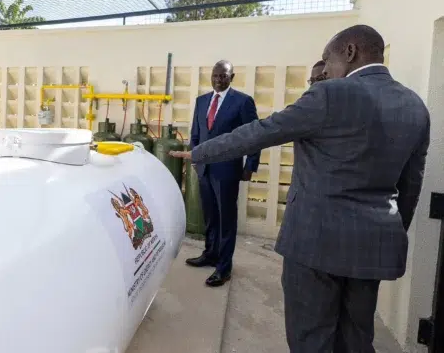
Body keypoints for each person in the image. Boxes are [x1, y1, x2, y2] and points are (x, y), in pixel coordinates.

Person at [171, 24, 430, 352]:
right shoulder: (415, 106)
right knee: (357, 338)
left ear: (349, 52)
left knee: (312, 337)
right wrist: (386, 231)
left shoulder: (329, 95)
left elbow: (261, 131)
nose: (326, 69)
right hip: (373, 246)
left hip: (315, 243)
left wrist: (198, 153)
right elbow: (411, 186)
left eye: (328, 59)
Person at [185, 60, 261, 287]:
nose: (218, 80)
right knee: (210, 216)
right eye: (215, 75)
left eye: (223, 76)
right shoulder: (201, 102)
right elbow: (196, 134)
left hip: (227, 170)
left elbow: (254, 136)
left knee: (226, 219)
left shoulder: (242, 102)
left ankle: (224, 267)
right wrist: (195, 159)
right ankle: (210, 254)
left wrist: (250, 165)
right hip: (205, 170)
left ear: (232, 77)